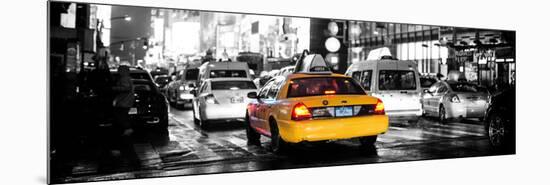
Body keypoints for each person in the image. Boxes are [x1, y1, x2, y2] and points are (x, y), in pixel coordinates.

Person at [111, 65, 135, 158]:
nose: (118, 71)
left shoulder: (124, 78)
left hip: (123, 102)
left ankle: (127, 129)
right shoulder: (128, 78)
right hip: (126, 102)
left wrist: (114, 88)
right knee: (122, 117)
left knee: (120, 117)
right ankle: (126, 129)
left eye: (119, 70)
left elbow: (126, 88)